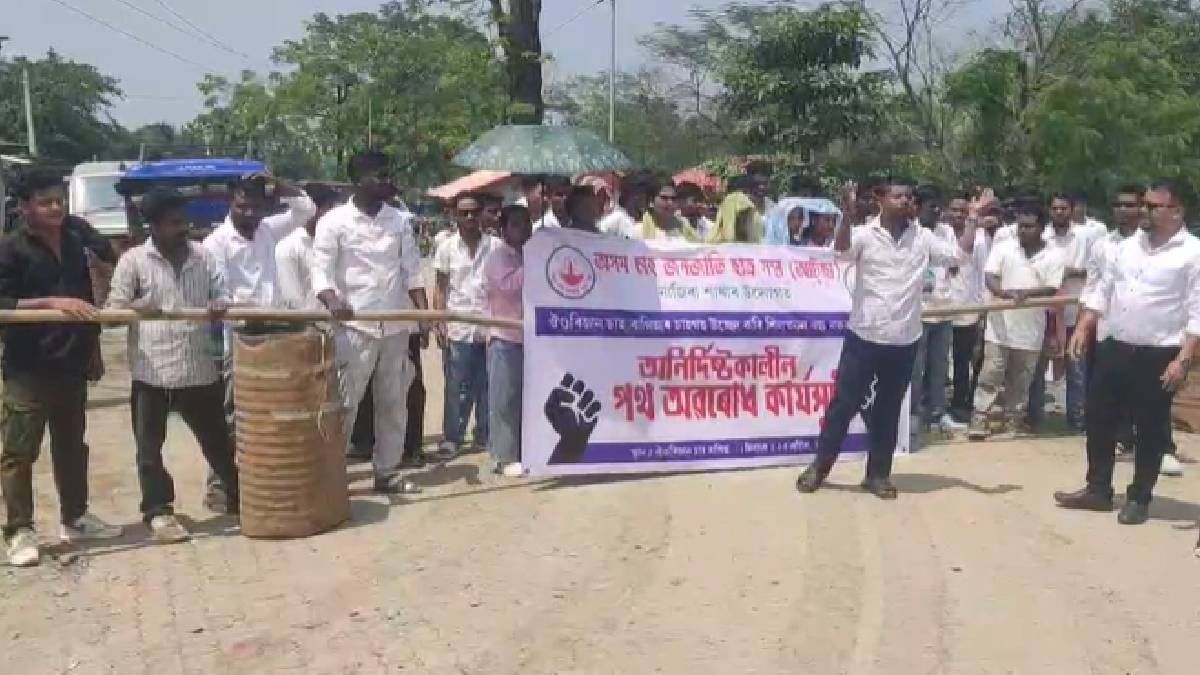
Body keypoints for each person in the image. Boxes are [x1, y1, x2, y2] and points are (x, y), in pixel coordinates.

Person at [796, 178, 977, 499]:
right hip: (864, 337)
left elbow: (959, 257)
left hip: (904, 341)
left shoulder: (923, 238)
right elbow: (839, 255)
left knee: (889, 411)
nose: (907, 201)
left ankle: (878, 475)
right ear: (881, 199)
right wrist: (847, 216)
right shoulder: (864, 234)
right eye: (899, 196)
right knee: (843, 406)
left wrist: (973, 219)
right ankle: (819, 468)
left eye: (909, 197)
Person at [1056, 180, 1200, 525]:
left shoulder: (1193, 253)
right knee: (1099, 416)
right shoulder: (1126, 246)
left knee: (1150, 428)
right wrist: (1085, 325)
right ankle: (1098, 488)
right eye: (1144, 205)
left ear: (1176, 211)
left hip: (1159, 353)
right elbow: (1104, 287)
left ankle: (1139, 497)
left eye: (1152, 206)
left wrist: (1183, 360)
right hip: (1115, 346)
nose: (1143, 212)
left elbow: (1198, 311)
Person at [0, 170, 122, 567]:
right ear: (24, 207)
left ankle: (76, 517)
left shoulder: (74, 243)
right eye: (45, 201)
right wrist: (54, 303)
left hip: (71, 361)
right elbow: (4, 303)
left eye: (59, 199)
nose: (55, 207)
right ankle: (19, 530)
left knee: (72, 446)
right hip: (27, 366)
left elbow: (90, 296)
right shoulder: (10, 249)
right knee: (20, 451)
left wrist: (93, 348)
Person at [105, 189, 238, 543]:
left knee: (219, 445)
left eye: (185, 221)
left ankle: (240, 498)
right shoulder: (134, 261)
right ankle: (158, 512)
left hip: (198, 370)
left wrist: (222, 305)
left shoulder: (203, 256)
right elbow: (111, 315)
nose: (184, 228)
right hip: (153, 374)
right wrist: (136, 308)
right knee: (149, 450)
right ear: (155, 225)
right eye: (175, 223)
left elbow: (224, 293)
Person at [312, 151, 429, 494]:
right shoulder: (333, 222)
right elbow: (321, 274)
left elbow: (412, 272)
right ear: (360, 181)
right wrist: (333, 301)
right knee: (346, 403)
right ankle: (332, 476)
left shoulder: (400, 221)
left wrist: (422, 317)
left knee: (393, 403)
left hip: (395, 326)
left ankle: (387, 471)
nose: (388, 181)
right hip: (354, 328)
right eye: (381, 175)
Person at [201, 173, 315, 511]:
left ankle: (262, 480)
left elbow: (305, 209)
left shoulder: (267, 230)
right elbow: (222, 293)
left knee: (271, 411)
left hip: (273, 333)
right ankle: (219, 485)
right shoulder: (215, 244)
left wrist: (279, 184)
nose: (249, 212)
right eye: (241, 206)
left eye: (255, 206)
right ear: (230, 204)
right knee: (233, 414)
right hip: (237, 337)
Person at [968, 202, 1065, 440]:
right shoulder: (1004, 248)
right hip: (999, 327)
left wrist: (1026, 295)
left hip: (1030, 330)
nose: (1023, 231)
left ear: (1041, 228)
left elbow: (1052, 287)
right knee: (990, 374)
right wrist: (1002, 293)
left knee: (1021, 380)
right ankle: (980, 419)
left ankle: (1013, 421)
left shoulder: (1054, 254)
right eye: (1020, 226)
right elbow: (990, 275)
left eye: (1029, 227)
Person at [433, 193, 499, 458]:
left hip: (489, 325)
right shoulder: (446, 247)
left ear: (482, 214)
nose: (470, 218)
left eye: (474, 212)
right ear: (455, 216)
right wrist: (438, 320)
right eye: (464, 213)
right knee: (456, 386)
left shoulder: (496, 247)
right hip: (458, 326)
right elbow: (440, 287)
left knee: (487, 384)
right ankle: (453, 437)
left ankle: (484, 434)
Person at [1026, 192, 1096, 432]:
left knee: (1076, 368)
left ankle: (1077, 420)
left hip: (1075, 313)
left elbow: (1092, 271)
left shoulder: (1085, 237)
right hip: (1045, 313)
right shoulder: (1041, 235)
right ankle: (1034, 419)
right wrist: (1063, 273)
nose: (1059, 212)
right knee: (1037, 367)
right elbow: (1034, 272)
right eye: (1055, 208)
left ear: (1073, 209)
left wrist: (1066, 272)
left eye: (1063, 208)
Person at [910, 186, 966, 440]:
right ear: (917, 207)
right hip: (918, 313)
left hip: (944, 309)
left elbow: (955, 260)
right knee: (915, 368)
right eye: (930, 206)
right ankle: (912, 415)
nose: (936, 211)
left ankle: (937, 414)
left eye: (937, 207)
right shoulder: (911, 233)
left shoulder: (945, 233)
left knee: (940, 368)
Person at [482, 205, 532, 477]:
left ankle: (523, 450)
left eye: (527, 223)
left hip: (529, 338)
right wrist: (532, 266)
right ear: (504, 230)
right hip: (504, 336)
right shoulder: (497, 256)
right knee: (504, 399)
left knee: (525, 397)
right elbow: (508, 286)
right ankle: (503, 456)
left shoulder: (531, 254)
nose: (524, 229)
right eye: (517, 225)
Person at [946, 192, 991, 422]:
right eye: (954, 210)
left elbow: (985, 275)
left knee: (963, 361)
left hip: (968, 310)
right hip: (940, 309)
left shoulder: (980, 238)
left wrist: (983, 311)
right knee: (939, 363)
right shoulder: (939, 235)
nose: (958, 215)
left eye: (963, 211)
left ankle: (961, 404)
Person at [276, 183, 342, 311]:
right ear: (314, 209)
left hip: (342, 324)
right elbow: (292, 300)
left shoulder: (339, 242)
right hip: (308, 325)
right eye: (331, 208)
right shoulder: (288, 247)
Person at [599, 174, 651, 239]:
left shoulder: (645, 221)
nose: (648, 201)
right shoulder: (614, 220)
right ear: (637, 195)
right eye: (647, 196)